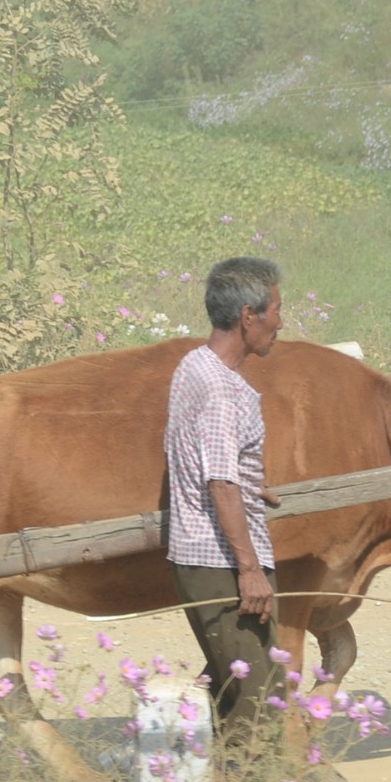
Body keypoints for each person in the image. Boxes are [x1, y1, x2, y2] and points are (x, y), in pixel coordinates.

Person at [164, 256, 284, 731]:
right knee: (258, 703)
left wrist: (253, 485)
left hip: (205, 557)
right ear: (248, 316)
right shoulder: (219, 390)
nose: (281, 321)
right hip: (221, 565)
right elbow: (220, 482)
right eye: (276, 309)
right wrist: (250, 571)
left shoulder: (195, 366)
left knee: (228, 686)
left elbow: (214, 463)